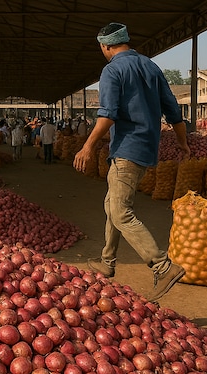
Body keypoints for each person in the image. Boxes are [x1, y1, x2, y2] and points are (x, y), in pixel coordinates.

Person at [73, 22, 191, 301]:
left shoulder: (112, 70)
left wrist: (87, 146)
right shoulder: (151, 67)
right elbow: (174, 111)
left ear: (106, 46)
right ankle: (107, 261)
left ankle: (162, 266)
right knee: (111, 204)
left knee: (122, 211)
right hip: (147, 148)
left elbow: (108, 114)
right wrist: (183, 142)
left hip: (127, 148)